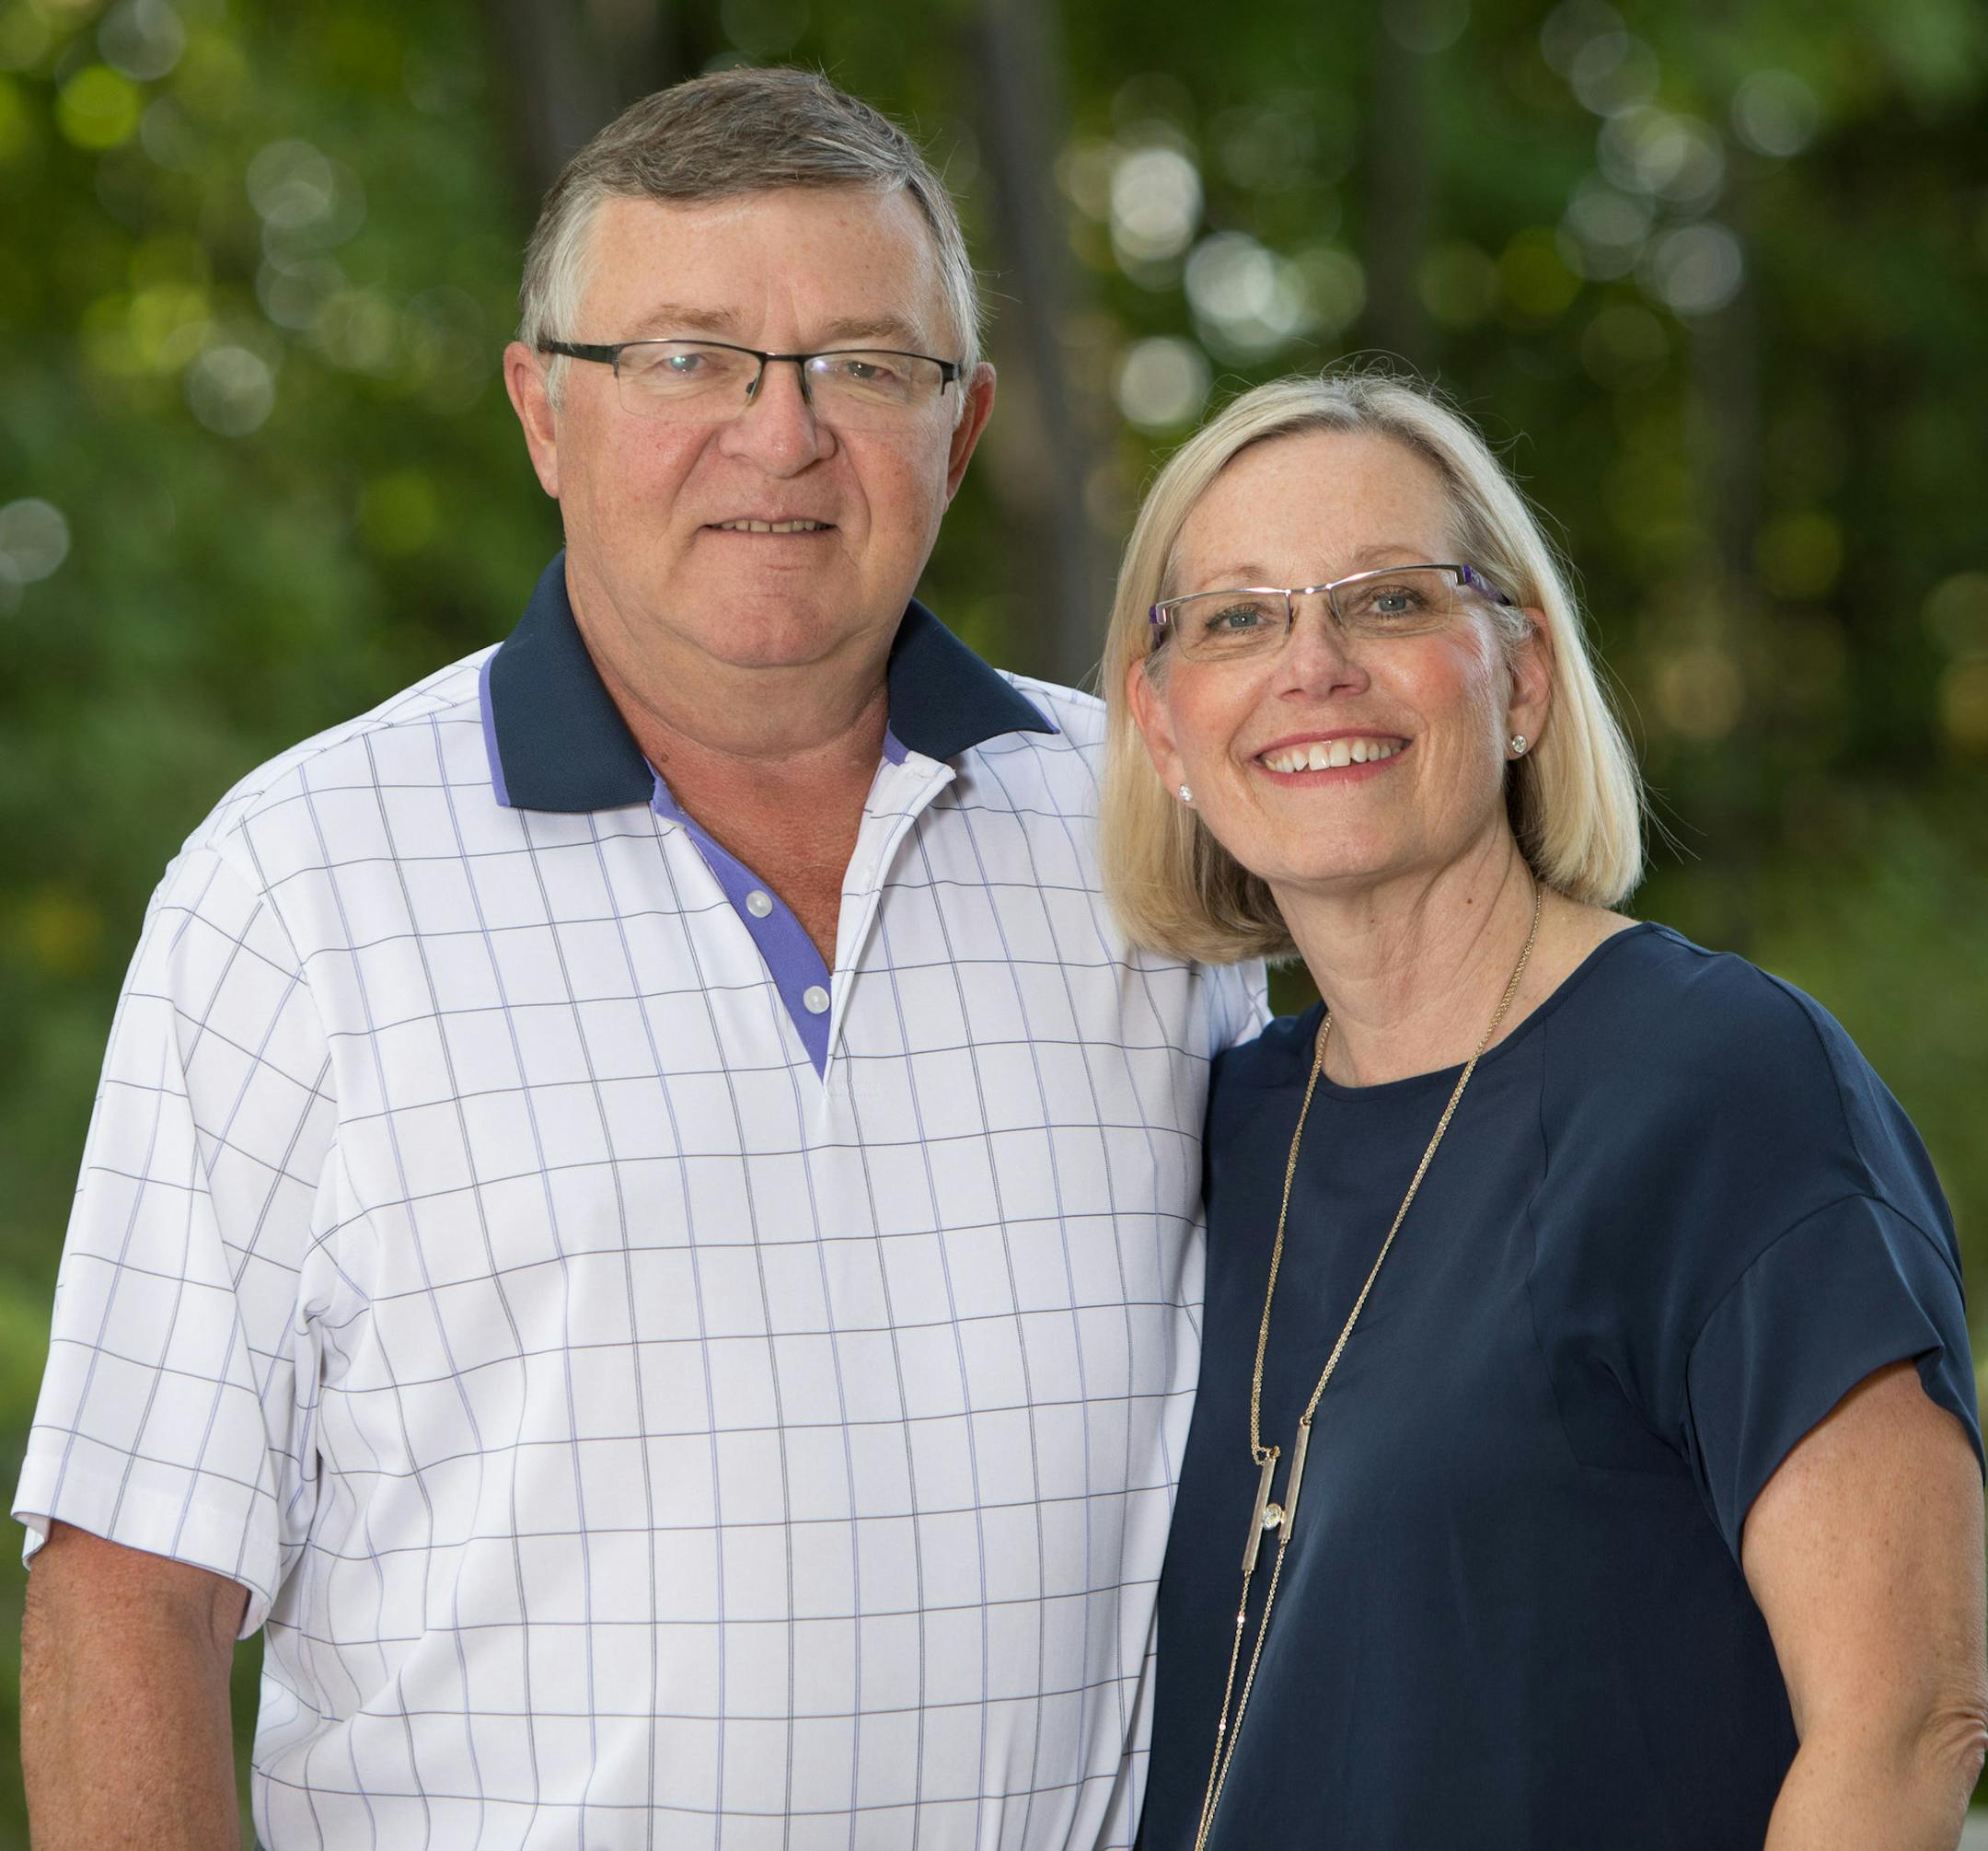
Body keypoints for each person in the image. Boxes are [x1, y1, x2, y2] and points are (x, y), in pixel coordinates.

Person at [15, 70, 1263, 1849]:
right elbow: (129, 1593)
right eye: (689, 358)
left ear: (963, 425)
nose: (782, 434)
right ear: (544, 408)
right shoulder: (299, 886)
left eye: (864, 364)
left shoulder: (1150, 846)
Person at [1102, 369, 1988, 1850]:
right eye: (1238, 618)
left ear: (1518, 678)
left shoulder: (1722, 1087)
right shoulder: (1217, 1129)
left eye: (1388, 601)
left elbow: (1909, 1724)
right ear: (1167, 730)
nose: (1312, 664)